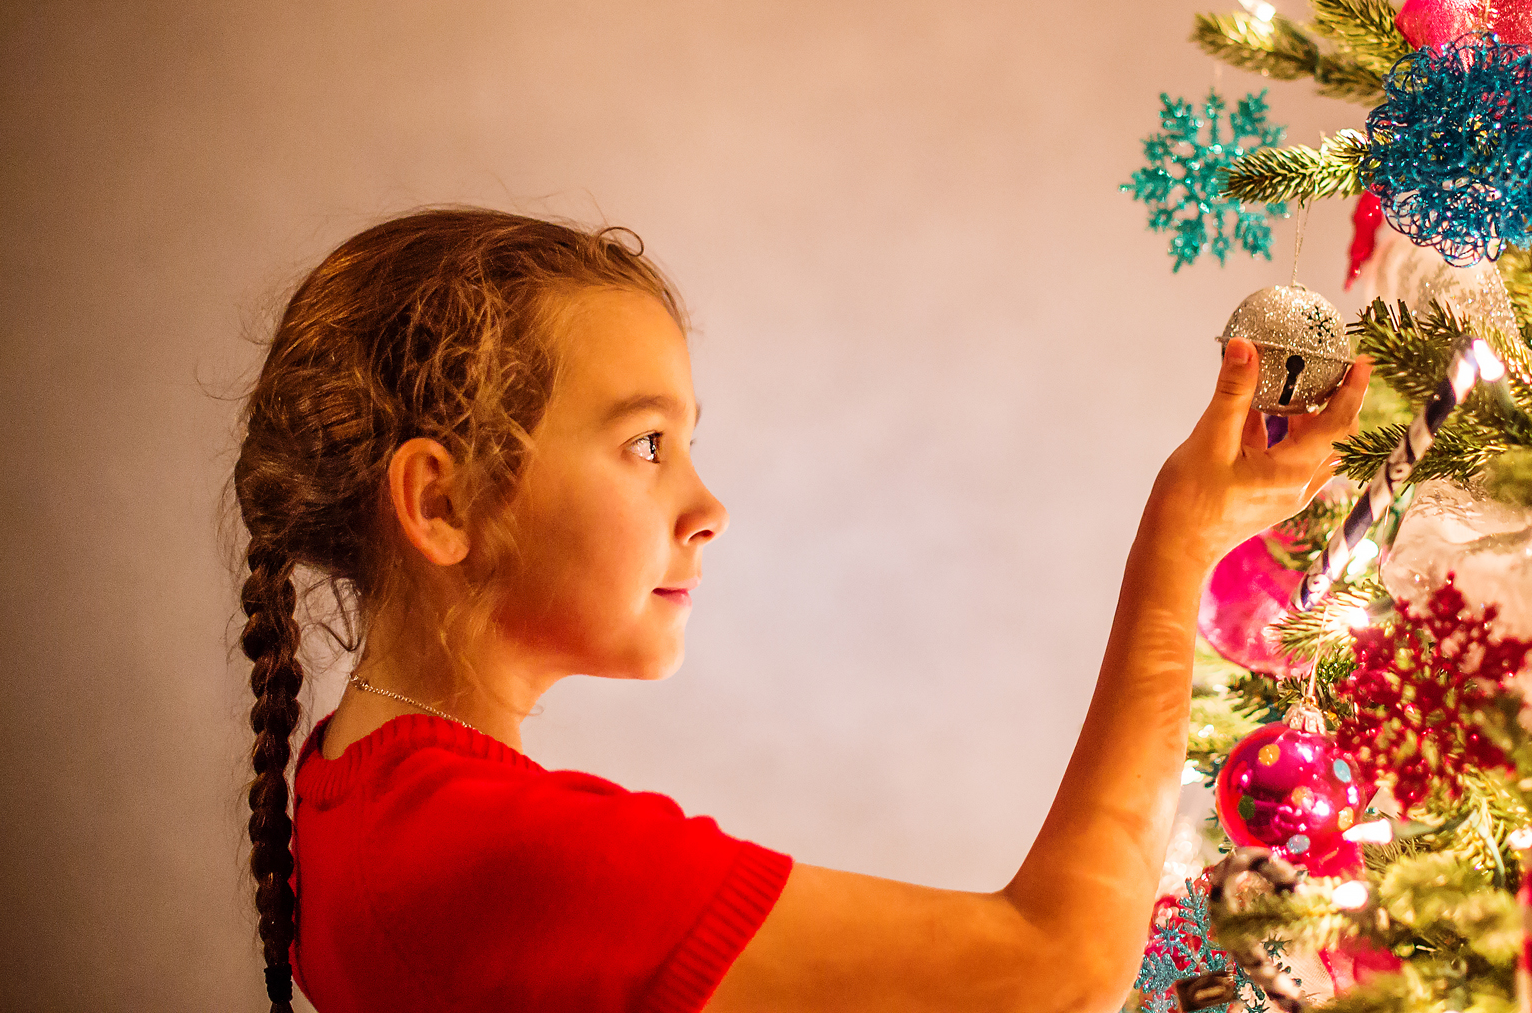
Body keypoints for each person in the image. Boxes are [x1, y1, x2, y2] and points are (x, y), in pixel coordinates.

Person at [236, 207, 1369, 1013]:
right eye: (643, 443)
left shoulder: (350, 781)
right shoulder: (502, 854)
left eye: (686, 441)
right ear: (441, 502)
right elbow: (1057, 970)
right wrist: (1178, 545)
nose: (707, 504)